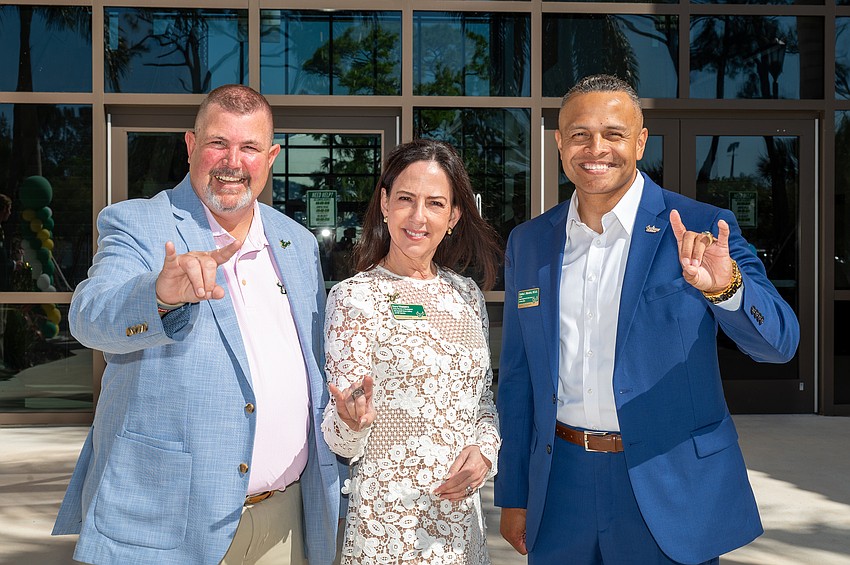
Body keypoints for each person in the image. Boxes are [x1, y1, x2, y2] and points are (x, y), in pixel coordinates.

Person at [495, 74, 800, 565]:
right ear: (558, 142)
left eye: (614, 134)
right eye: (580, 134)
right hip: (560, 486)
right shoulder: (529, 243)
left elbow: (780, 344)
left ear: (640, 141)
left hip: (668, 486)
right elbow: (516, 379)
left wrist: (725, 289)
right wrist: (513, 494)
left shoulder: (701, 227)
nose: (596, 148)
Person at [52, 84, 340, 565]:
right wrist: (158, 295)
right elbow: (89, 316)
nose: (233, 161)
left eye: (249, 147)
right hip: (170, 521)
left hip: (285, 521)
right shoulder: (138, 223)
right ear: (190, 146)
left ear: (271, 156)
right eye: (217, 143)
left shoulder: (297, 240)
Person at [320, 139, 503, 564]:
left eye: (435, 203)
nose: (418, 217)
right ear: (384, 203)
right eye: (405, 199)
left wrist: (485, 452)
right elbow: (339, 438)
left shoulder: (467, 295)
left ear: (454, 215)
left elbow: (483, 403)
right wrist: (350, 422)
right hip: (386, 530)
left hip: (460, 528)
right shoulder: (354, 298)